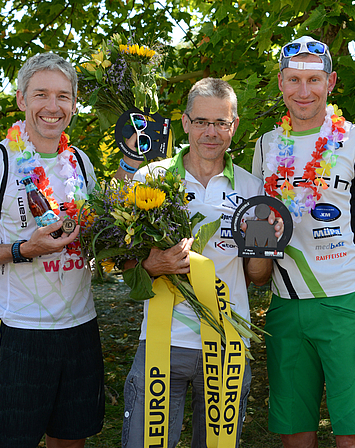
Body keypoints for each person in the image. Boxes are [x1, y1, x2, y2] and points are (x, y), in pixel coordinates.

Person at [252, 36, 355, 448]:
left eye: (314, 80)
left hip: (346, 303)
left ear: (331, 82)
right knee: (295, 433)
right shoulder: (265, 145)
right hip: (285, 306)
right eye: (294, 80)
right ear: (281, 83)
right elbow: (258, 226)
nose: (304, 91)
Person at [117, 77, 279, 448]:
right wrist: (154, 264)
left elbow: (257, 277)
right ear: (186, 123)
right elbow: (126, 266)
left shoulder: (253, 189)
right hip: (162, 342)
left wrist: (261, 248)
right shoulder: (150, 179)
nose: (211, 132)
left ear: (234, 127)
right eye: (202, 122)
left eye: (221, 123)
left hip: (226, 344)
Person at [0, 53, 102, 448]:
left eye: (63, 96)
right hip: (19, 330)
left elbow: (96, 233)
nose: (53, 107)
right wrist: (20, 249)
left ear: (74, 103)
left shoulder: (81, 163)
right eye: (41, 95)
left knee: (71, 438)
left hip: (81, 326)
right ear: (21, 100)